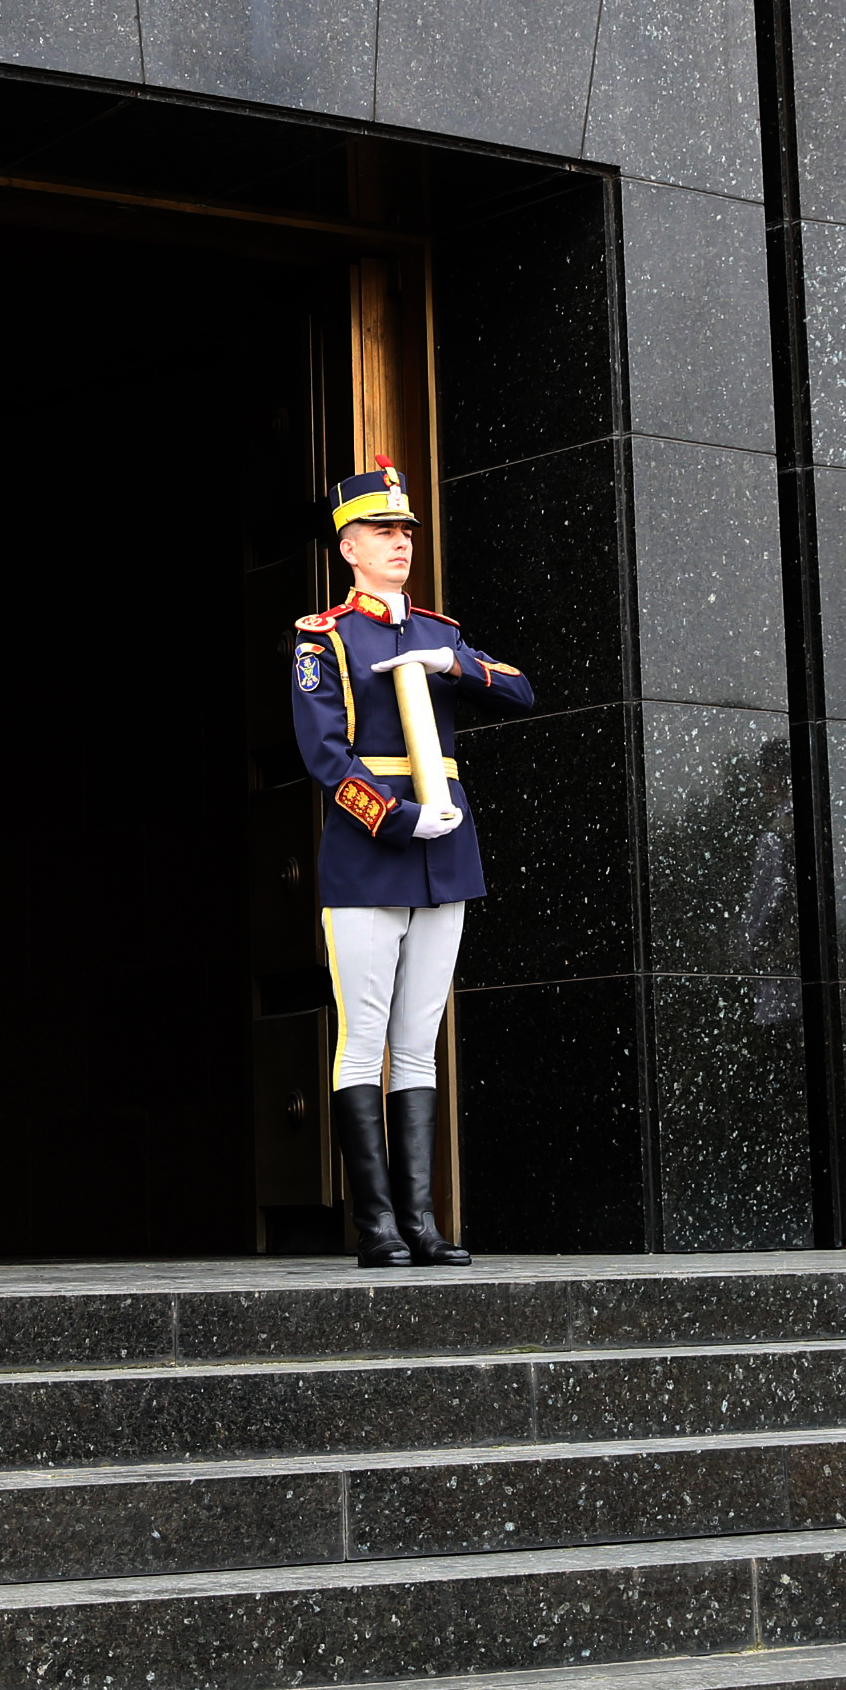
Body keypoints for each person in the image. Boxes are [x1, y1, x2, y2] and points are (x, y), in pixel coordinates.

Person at [292, 459, 532, 1265]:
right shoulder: (324, 639)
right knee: (364, 1040)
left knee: (420, 1039)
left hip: (447, 853)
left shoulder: (440, 634)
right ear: (348, 546)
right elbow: (327, 760)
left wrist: (452, 665)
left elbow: (521, 691)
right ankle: (377, 1224)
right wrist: (398, 818)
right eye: (385, 532)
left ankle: (421, 1221)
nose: (401, 543)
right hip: (371, 855)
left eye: (407, 532)